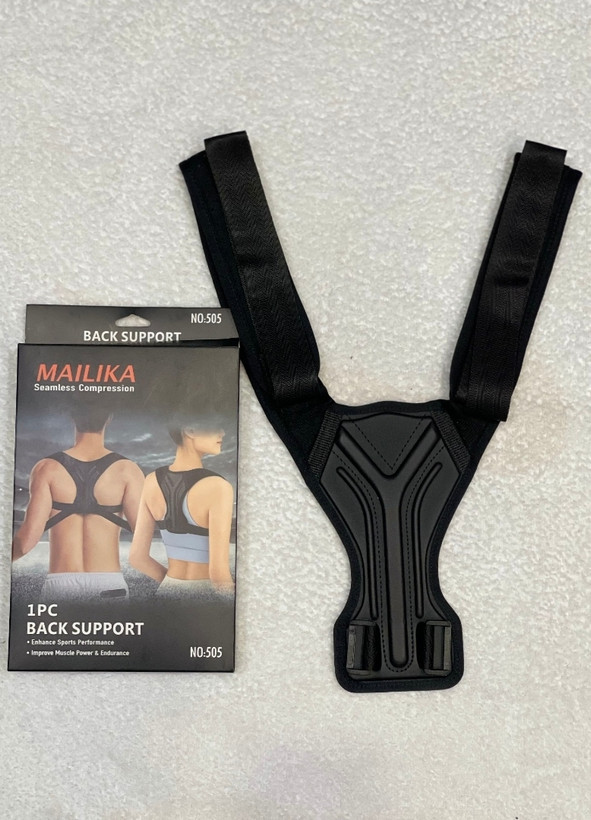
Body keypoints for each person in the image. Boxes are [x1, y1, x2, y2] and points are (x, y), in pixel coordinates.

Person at [12, 405, 144, 601]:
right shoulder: (128, 471)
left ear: (72, 417)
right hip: (109, 585)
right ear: (109, 419)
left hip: (61, 586)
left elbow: (25, 543)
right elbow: (142, 533)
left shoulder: (47, 468)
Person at [129, 418, 234, 597]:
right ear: (190, 430)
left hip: (166, 593)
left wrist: (172, 585)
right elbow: (218, 575)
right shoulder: (218, 487)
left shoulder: (151, 481)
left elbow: (137, 558)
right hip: (204, 596)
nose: (222, 433)